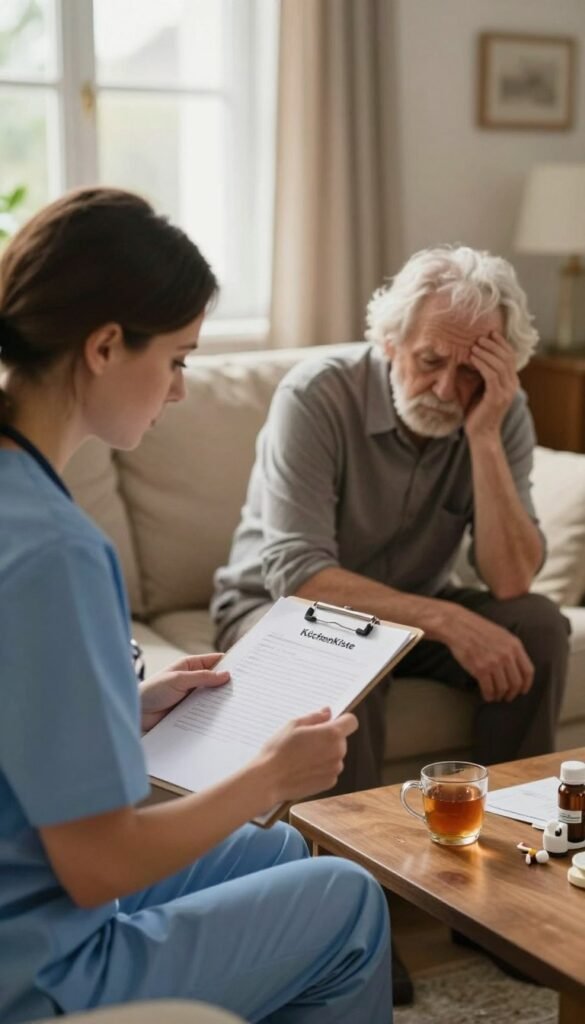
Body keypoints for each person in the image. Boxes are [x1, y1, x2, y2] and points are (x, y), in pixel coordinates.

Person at [0, 188, 391, 1024]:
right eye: (177, 359)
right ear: (105, 346)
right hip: (38, 967)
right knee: (346, 897)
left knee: (277, 851)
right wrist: (268, 775)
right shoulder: (58, 551)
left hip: (25, 889)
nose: (178, 389)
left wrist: (125, 706)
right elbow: (100, 867)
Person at [212, 244, 570, 791]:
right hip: (279, 610)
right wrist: (447, 621)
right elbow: (297, 575)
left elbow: (512, 580)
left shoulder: (498, 410)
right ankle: (353, 847)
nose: (447, 390)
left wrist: (484, 438)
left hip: (408, 611)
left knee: (538, 625)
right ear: (388, 341)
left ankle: (510, 823)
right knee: (353, 653)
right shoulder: (315, 396)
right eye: (430, 361)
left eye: (470, 370)